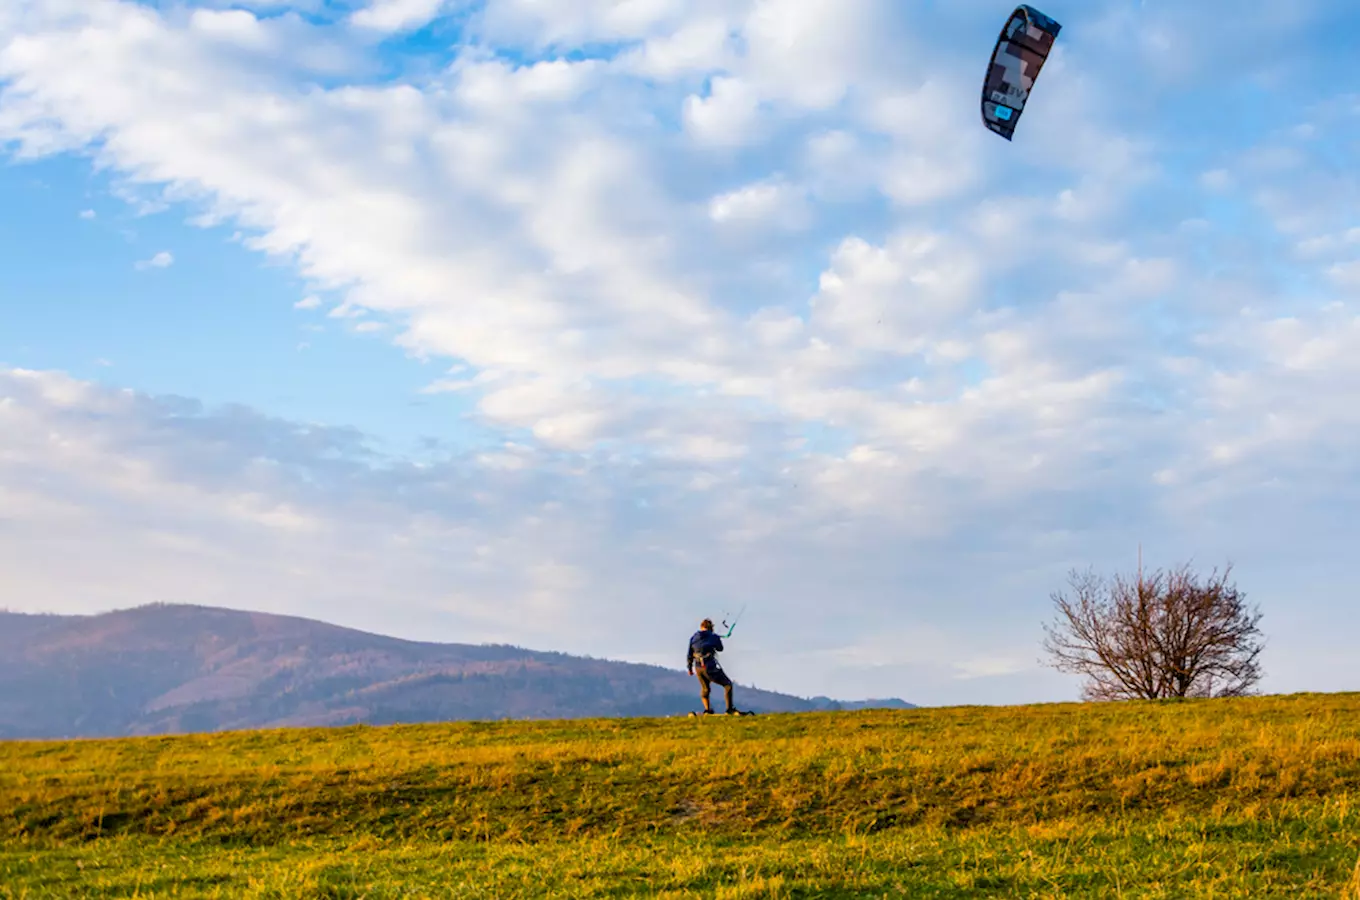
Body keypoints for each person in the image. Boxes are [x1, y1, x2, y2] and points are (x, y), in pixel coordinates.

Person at [687, 617, 737, 715]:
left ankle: (707, 710)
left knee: (705, 689)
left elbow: (689, 654)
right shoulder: (713, 636)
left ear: (701, 627)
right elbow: (720, 648)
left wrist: (689, 668)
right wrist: (717, 639)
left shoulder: (693, 638)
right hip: (709, 667)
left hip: (698, 668)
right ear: (710, 628)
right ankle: (729, 710)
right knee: (727, 685)